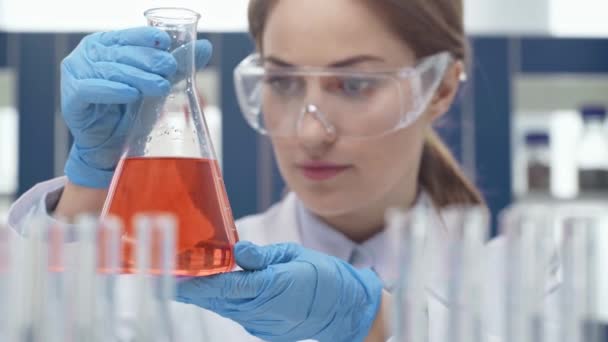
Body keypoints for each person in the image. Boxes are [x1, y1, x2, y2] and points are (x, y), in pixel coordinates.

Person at [6, 0, 560, 341]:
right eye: (284, 82)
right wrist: (87, 188)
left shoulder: (525, 279)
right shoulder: (202, 270)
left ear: (438, 88)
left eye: (354, 83)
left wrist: (377, 323)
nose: (311, 130)